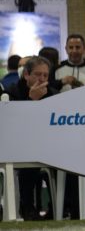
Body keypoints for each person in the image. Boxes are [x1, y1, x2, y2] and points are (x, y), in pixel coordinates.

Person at [4, 56, 56, 220]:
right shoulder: (11, 92)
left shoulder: (53, 94)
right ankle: (27, 207)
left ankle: (61, 208)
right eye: (37, 74)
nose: (41, 79)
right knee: (30, 159)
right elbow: (10, 124)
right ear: (26, 74)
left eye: (45, 76)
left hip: (47, 145)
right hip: (16, 146)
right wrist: (31, 101)